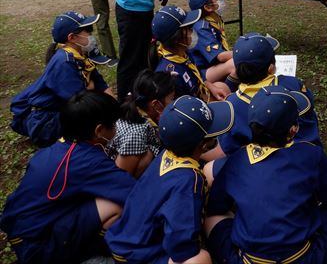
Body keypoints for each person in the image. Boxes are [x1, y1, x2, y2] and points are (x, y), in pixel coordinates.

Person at [204, 86, 327, 264]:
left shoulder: (236, 159)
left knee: (212, 217)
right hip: (303, 258)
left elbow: (216, 206)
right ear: (293, 130)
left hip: (249, 260)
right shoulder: (311, 154)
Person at [0, 91, 136, 264]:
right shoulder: (88, 162)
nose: (117, 129)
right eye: (114, 125)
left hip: (23, 232)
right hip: (37, 247)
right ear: (99, 130)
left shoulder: (62, 146)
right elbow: (133, 193)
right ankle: (92, 256)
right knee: (115, 205)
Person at [106, 95, 234, 264]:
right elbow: (181, 246)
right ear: (203, 145)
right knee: (200, 259)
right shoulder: (189, 180)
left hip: (127, 239)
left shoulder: (168, 154)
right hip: (139, 255)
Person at [10, 11, 114, 147]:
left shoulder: (80, 55)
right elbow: (80, 103)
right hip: (45, 120)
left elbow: (102, 86)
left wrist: (113, 107)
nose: (91, 36)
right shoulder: (63, 62)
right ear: (72, 37)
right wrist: (91, 91)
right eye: (87, 31)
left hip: (62, 109)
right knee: (89, 126)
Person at [213, 33, 320, 160]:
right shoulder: (292, 83)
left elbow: (229, 147)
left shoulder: (231, 104)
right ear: (271, 68)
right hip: (308, 153)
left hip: (262, 165)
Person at [150, 5, 228, 102]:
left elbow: (197, 76)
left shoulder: (183, 52)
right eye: (188, 28)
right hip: (191, 111)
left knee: (223, 87)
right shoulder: (171, 76)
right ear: (176, 38)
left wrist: (212, 87)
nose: (192, 31)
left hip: (200, 98)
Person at [108, 69, 175, 177]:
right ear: (156, 105)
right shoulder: (135, 134)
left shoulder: (141, 112)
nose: (173, 103)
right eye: (171, 99)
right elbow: (120, 179)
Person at [188, 0, 239, 92]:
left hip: (212, 65)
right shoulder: (201, 27)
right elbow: (220, 56)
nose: (220, 0)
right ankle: (228, 91)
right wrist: (244, 52)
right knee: (236, 63)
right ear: (207, 7)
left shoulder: (213, 18)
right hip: (203, 71)